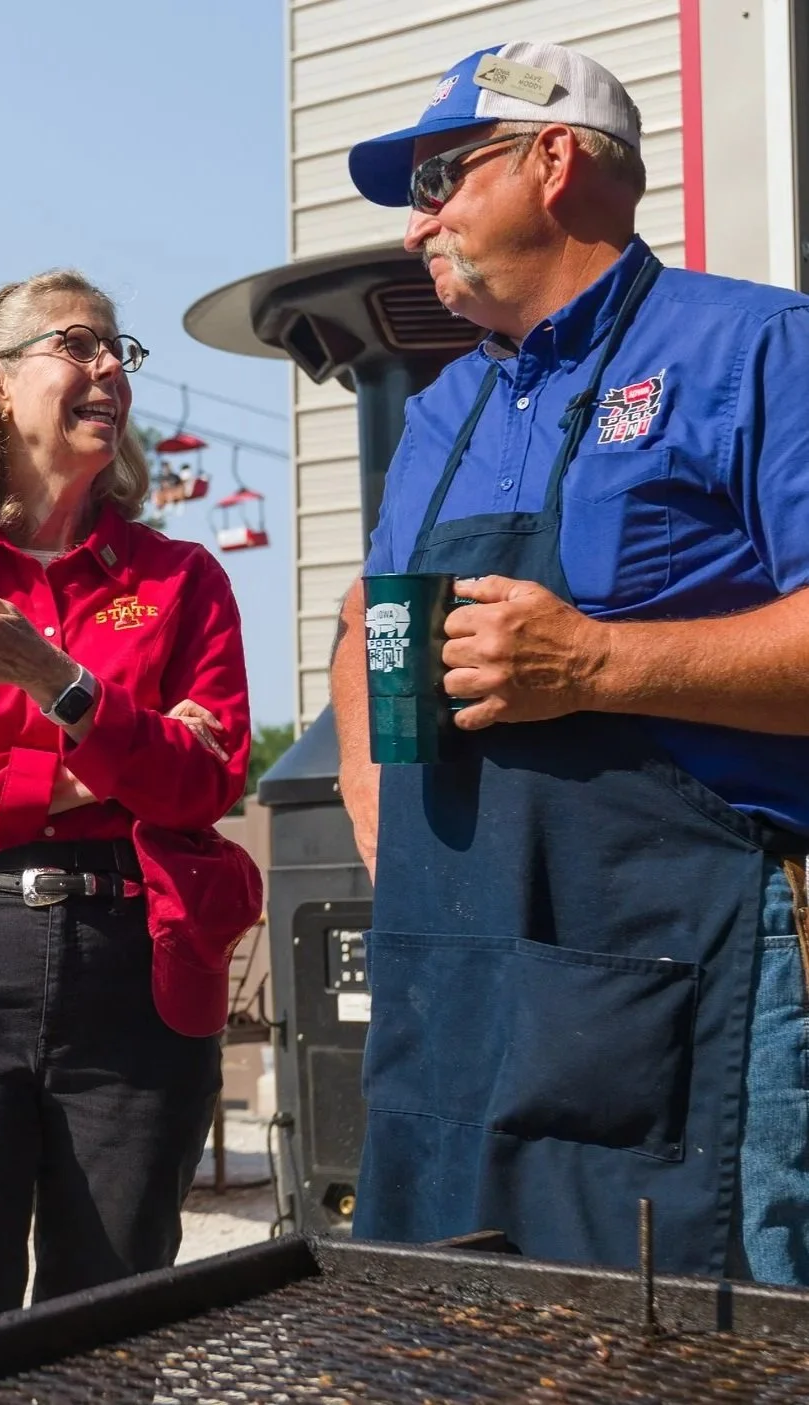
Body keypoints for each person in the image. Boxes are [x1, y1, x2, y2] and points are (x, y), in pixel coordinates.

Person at [332, 41, 809, 1285]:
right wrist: (377, 801)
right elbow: (364, 618)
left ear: (551, 161)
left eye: (435, 180)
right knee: (455, 1328)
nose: (413, 226)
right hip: (455, 974)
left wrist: (593, 662)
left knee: (700, 1331)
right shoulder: (442, 411)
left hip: (680, 964)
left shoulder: (755, 348)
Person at [0, 268, 260, 1343]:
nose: (109, 366)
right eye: (77, 343)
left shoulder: (182, 580)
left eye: (119, 349)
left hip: (133, 964)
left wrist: (59, 686)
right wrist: (98, 762)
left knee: (112, 1326)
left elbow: (208, 781)